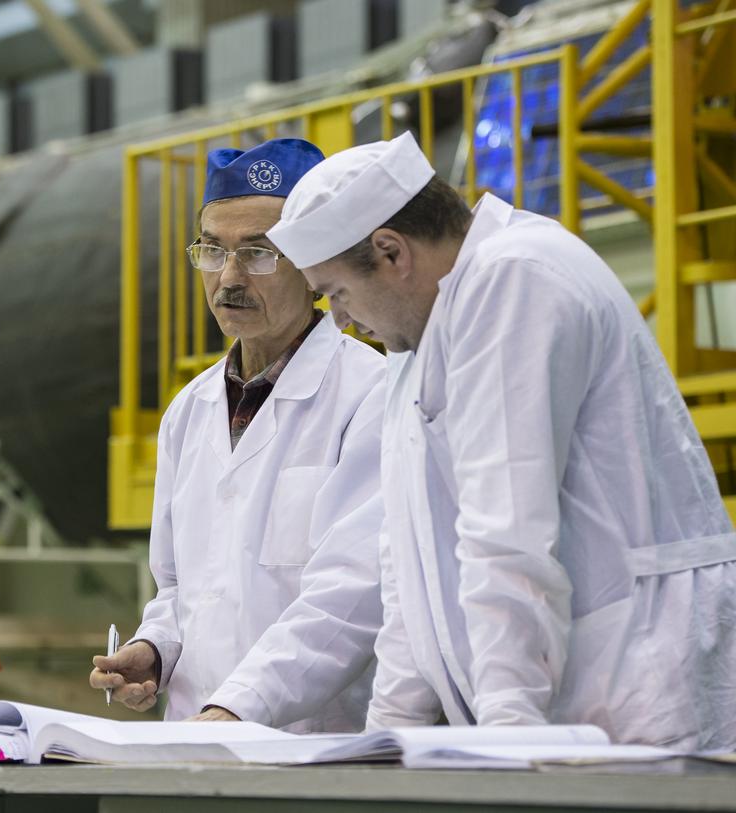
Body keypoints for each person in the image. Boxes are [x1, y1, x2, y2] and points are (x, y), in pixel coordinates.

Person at [267, 131, 736, 749]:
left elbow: (508, 528)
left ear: (391, 252)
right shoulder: (426, 325)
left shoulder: (516, 278)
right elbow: (410, 553)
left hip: (639, 682)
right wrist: (388, 732)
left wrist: (508, 727)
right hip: (562, 710)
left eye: (338, 292)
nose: (343, 320)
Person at [89, 139, 387, 732]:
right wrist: (153, 651)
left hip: (310, 747)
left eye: (259, 253)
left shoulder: (370, 393)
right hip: (195, 740)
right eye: (212, 251)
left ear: (316, 263)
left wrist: (239, 705)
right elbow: (179, 588)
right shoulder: (189, 411)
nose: (228, 278)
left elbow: (355, 594)